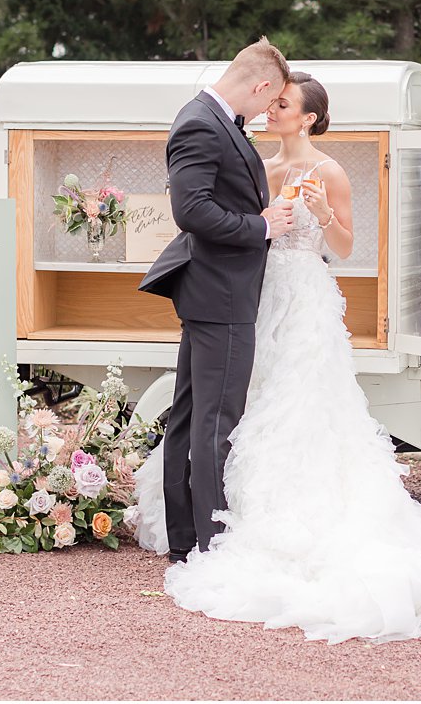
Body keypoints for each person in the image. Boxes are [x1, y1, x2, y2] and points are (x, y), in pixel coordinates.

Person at [134, 71, 421, 644]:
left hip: (305, 297)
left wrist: (320, 213)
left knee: (302, 400)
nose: (271, 109)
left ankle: (288, 512)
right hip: (256, 294)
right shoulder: (261, 169)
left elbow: (343, 247)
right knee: (244, 401)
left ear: (309, 117)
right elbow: (247, 229)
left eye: (283, 104)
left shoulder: (330, 172)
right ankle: (218, 511)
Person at [137, 38, 295, 562]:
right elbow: (192, 210)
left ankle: (187, 538)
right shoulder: (202, 122)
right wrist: (262, 226)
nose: (266, 111)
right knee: (215, 420)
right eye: (270, 102)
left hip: (216, 290)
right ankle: (212, 544)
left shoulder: (214, 118)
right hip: (219, 291)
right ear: (261, 85)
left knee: (189, 416)